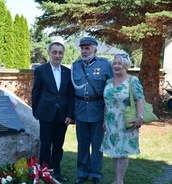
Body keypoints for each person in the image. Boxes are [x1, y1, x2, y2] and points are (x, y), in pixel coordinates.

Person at [71, 37, 114, 184]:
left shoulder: (105, 65)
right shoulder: (75, 66)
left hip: (98, 111)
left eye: (87, 48)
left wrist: (108, 114)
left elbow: (112, 89)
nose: (84, 51)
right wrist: (71, 114)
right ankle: (82, 173)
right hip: (81, 110)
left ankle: (96, 173)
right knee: (82, 144)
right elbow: (71, 91)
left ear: (95, 49)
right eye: (82, 48)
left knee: (97, 145)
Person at [31, 42, 74, 182]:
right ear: (49, 53)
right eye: (54, 52)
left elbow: (70, 96)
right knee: (45, 145)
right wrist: (36, 112)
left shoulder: (68, 72)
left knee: (58, 146)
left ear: (63, 54)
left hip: (62, 116)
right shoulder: (41, 70)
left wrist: (69, 114)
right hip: (45, 114)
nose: (57, 55)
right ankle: (44, 173)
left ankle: (56, 172)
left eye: (60, 53)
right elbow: (35, 92)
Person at [100, 54, 144, 184]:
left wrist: (139, 117)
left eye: (119, 63)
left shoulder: (133, 80)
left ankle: (119, 181)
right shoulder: (109, 81)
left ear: (126, 65)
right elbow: (106, 102)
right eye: (115, 63)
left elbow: (139, 99)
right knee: (115, 151)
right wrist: (104, 120)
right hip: (111, 121)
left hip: (126, 121)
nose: (116, 66)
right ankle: (116, 179)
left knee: (123, 151)